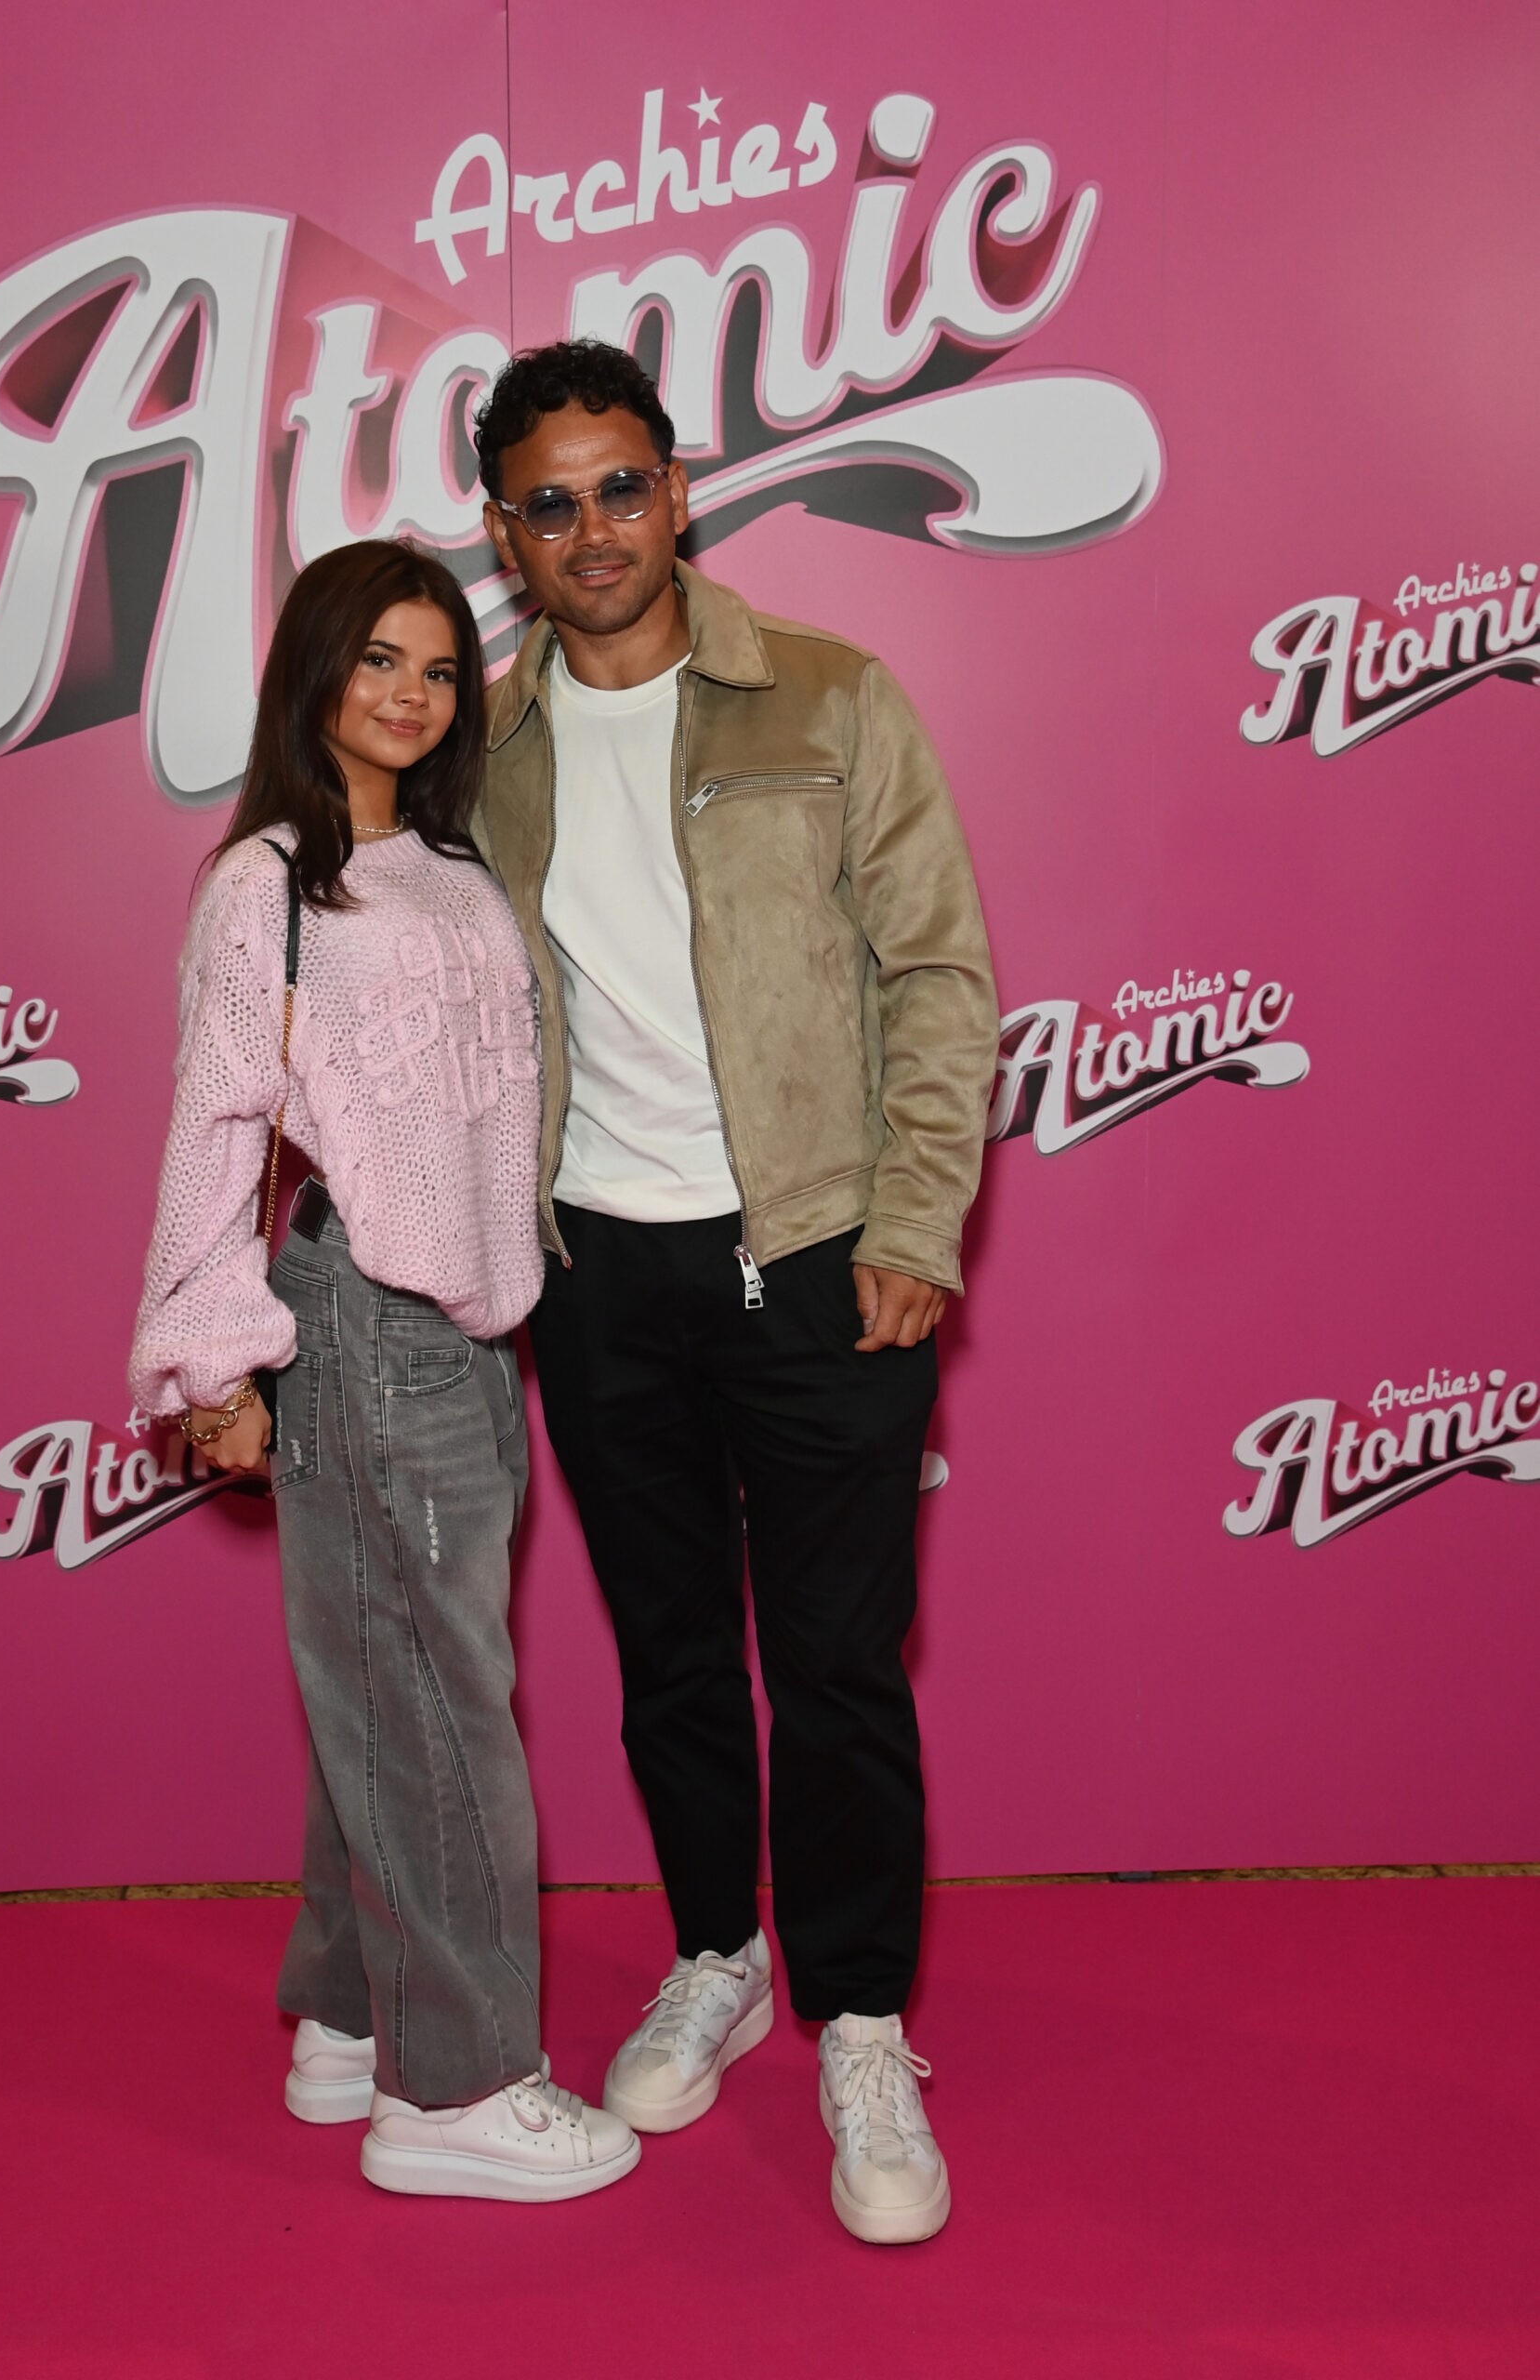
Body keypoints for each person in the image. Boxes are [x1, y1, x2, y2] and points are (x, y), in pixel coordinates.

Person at [471, 342, 1000, 2244]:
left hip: (820, 1253)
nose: (593, 528)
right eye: (552, 499)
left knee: (840, 1665)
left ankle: (863, 2012)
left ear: (682, 489)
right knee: (676, 1654)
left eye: (622, 485)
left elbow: (937, 973)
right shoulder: (486, 749)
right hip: (597, 1272)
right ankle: (718, 1949)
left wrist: (918, 1224)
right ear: (506, 531)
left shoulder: (832, 697)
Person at [128, 538, 638, 2204]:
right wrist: (213, 1352)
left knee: (391, 1683)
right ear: (313, 674)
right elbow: (213, 1130)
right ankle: (459, 2087)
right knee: (435, 1710)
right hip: (358, 1319)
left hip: (475, 1334)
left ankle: (351, 2024)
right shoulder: (267, 882)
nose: (411, 694)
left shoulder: (444, 863)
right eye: (378, 663)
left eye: (436, 666)